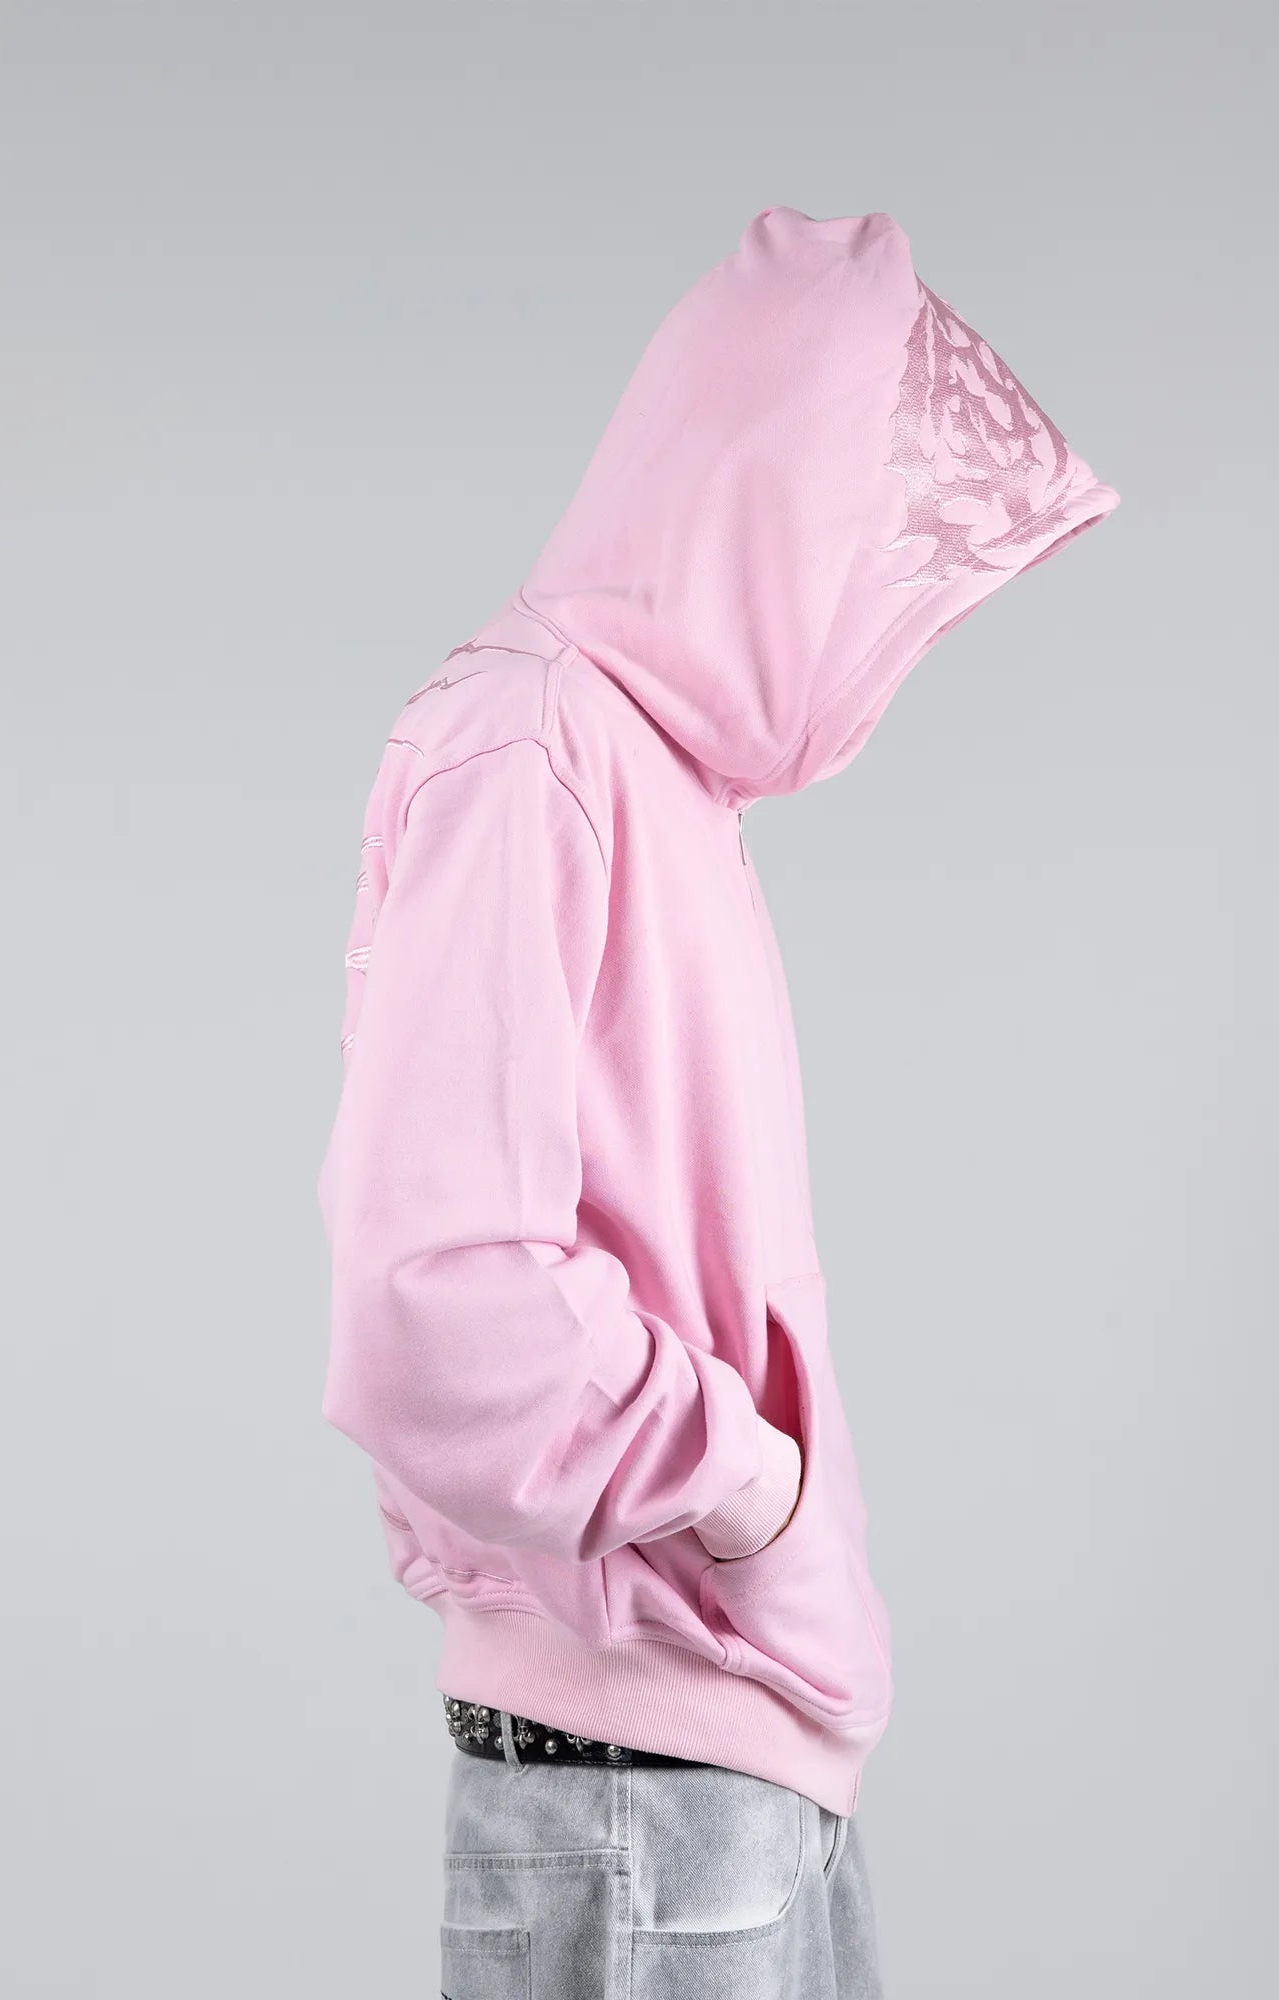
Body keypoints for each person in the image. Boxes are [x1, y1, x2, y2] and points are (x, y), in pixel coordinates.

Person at [317, 204, 1118, 1998]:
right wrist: (745, 1488)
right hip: (639, 1784)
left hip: (728, 1770)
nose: (871, 613)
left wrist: (766, 1534)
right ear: (757, 501)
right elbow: (434, 1294)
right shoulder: (529, 744)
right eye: (854, 541)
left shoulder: (655, 777)